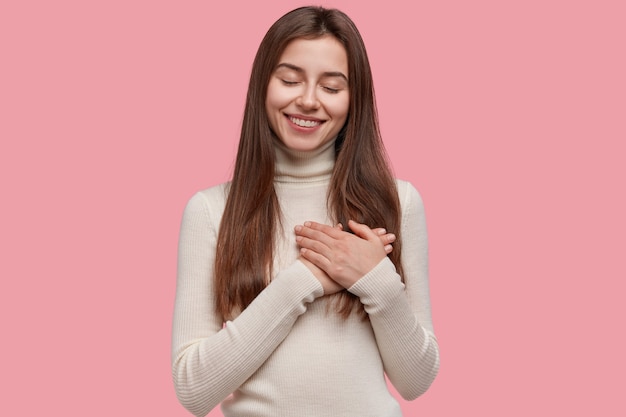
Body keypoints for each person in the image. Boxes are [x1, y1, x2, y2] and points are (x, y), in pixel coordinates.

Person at [172, 6, 439, 417]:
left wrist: (376, 280)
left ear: (355, 100)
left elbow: (415, 380)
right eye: (290, 80)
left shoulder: (398, 202)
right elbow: (192, 389)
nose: (309, 100)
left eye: (332, 88)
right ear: (263, 84)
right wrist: (306, 279)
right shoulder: (212, 211)